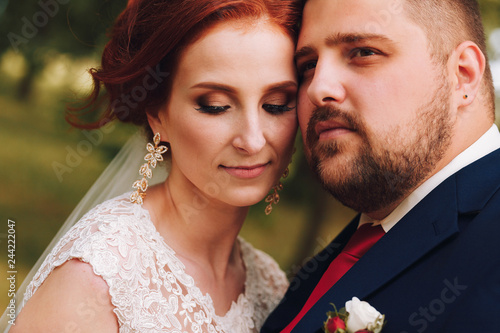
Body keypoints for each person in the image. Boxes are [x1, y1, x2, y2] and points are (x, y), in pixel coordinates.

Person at [8, 0, 301, 331]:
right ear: (157, 113)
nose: (253, 140)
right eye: (215, 106)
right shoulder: (98, 277)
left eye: (277, 105)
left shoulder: (271, 286)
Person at [261, 0, 500, 332]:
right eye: (308, 65)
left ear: (462, 75)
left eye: (362, 52)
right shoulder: (328, 262)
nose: (317, 88)